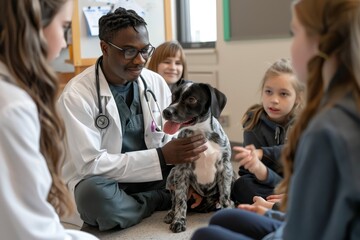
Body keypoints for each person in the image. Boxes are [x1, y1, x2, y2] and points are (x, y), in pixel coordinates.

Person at [192, 0, 360, 239]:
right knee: (223, 216)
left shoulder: (325, 128)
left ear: (318, 44)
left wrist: (277, 209)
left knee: (204, 235)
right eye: (269, 92)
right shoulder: (336, 110)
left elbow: (303, 231)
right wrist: (274, 212)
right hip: (288, 203)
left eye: (295, 34)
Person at [57, 7, 208, 231]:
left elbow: (169, 138)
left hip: (153, 174)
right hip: (107, 182)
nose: (140, 60)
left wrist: (182, 164)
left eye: (145, 50)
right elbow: (90, 165)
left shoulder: (154, 82)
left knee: (207, 177)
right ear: (105, 48)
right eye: (129, 51)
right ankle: (161, 199)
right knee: (93, 197)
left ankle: (149, 200)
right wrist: (160, 157)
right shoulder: (77, 96)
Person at [0, 0, 98, 239]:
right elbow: (28, 231)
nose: (65, 43)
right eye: (64, 27)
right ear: (34, 26)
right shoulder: (12, 107)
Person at [231, 58, 305, 205]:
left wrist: (262, 153)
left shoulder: (303, 123)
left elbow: (294, 152)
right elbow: (250, 172)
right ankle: (283, 203)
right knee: (241, 186)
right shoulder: (253, 122)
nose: (274, 100)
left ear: (297, 98)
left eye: (283, 94)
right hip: (268, 182)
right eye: (269, 92)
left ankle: (281, 202)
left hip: (296, 180)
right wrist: (258, 168)